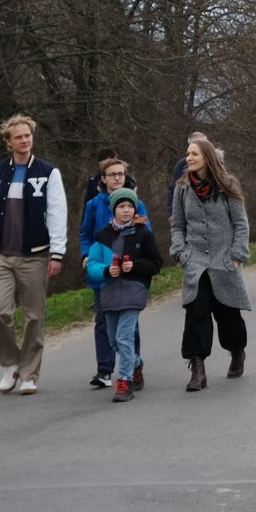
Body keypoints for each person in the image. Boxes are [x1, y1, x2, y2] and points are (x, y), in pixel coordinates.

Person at [0, 113, 67, 395]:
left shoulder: (48, 172)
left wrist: (57, 253)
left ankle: (29, 373)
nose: (25, 140)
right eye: (19, 137)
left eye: (28, 135)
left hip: (35, 255)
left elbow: (57, 213)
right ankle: (11, 363)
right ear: (8, 142)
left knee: (34, 317)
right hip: (1, 255)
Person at [170, 134, 251, 391]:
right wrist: (180, 253)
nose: (189, 158)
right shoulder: (182, 187)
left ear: (207, 157)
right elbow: (177, 225)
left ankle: (237, 351)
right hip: (195, 260)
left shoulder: (228, 184)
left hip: (223, 259)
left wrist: (236, 255)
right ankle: (197, 368)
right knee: (196, 313)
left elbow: (240, 223)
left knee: (228, 315)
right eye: (187, 153)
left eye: (194, 154)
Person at [84, 190, 163, 403]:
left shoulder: (143, 234)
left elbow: (156, 263)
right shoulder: (102, 236)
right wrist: (106, 270)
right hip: (109, 292)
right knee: (113, 339)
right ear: (114, 210)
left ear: (135, 209)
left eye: (130, 206)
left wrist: (134, 266)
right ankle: (136, 363)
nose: (126, 210)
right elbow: (92, 265)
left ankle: (125, 381)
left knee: (124, 336)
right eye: (121, 206)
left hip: (133, 291)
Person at [78, 159, 148, 389]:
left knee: (129, 324)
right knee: (104, 320)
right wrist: (87, 255)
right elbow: (85, 234)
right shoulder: (94, 205)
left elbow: (145, 235)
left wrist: (137, 262)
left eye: (121, 174)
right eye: (112, 174)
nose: (117, 178)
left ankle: (132, 368)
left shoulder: (136, 205)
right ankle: (105, 369)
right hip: (103, 272)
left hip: (129, 274)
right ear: (103, 179)